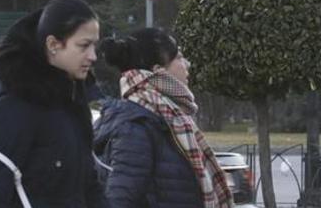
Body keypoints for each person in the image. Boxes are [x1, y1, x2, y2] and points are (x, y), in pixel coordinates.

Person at [0, 0, 106, 208]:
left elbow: (89, 186)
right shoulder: (15, 106)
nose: (93, 56)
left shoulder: (74, 104)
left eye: (94, 45)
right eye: (84, 45)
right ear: (53, 44)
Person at [94, 28, 234, 208]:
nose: (187, 64)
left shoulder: (170, 117)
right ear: (159, 72)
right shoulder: (135, 126)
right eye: (179, 57)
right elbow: (120, 198)